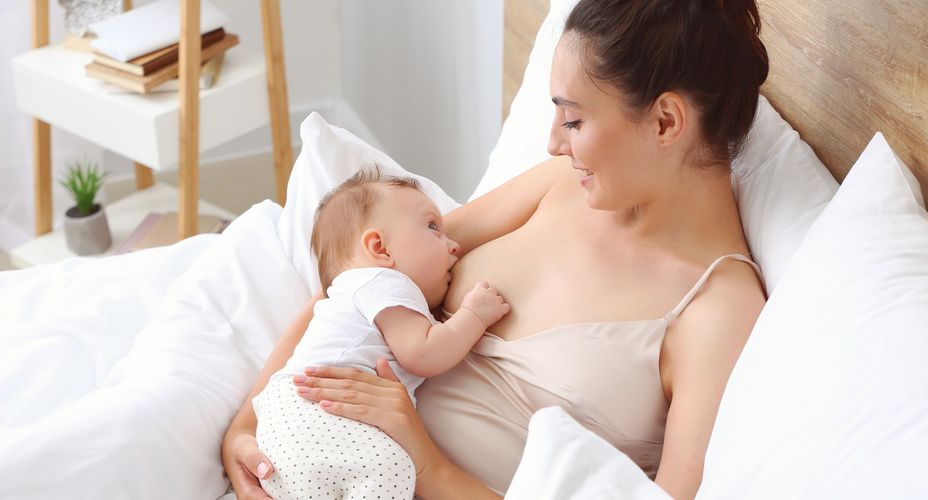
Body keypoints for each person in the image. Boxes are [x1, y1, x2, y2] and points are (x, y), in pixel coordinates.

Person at [222, 0, 769, 498]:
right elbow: (357, 282)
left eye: (574, 119)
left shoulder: (716, 309)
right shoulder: (563, 184)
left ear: (666, 121)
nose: (554, 142)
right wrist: (246, 429)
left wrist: (428, 464)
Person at [250, 169, 510, 499]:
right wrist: (474, 315)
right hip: (315, 414)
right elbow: (424, 354)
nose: (453, 244)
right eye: (433, 227)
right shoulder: (386, 283)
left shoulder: (348, 292)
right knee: (395, 469)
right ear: (380, 248)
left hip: (284, 423)